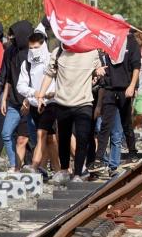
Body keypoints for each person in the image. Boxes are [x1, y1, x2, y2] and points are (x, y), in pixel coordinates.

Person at [37, 41, 101, 181]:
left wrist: (99, 71)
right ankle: (65, 170)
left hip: (84, 102)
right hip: (63, 102)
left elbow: (98, 69)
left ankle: (78, 173)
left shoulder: (92, 52)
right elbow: (49, 74)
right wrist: (41, 95)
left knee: (82, 138)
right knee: (64, 139)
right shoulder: (58, 52)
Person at [93, 28, 140, 173]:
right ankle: (98, 158)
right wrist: (97, 70)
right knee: (105, 125)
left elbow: (136, 66)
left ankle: (132, 152)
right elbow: (97, 60)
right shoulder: (106, 42)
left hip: (125, 88)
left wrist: (132, 86)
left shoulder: (131, 42)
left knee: (126, 123)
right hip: (109, 88)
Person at [19, 30, 61, 176]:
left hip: (51, 102)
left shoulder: (52, 59)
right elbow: (21, 85)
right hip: (35, 105)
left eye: (36, 47)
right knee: (50, 139)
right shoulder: (27, 64)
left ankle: (34, 165)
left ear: (43, 45)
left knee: (41, 134)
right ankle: (58, 170)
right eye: (31, 48)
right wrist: (33, 94)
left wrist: (50, 93)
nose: (33, 51)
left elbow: (59, 81)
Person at [0, 21, 37, 171]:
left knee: (31, 139)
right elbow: (7, 77)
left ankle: (37, 165)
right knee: (6, 133)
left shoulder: (32, 52)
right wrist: (3, 98)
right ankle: (15, 165)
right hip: (14, 102)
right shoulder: (10, 52)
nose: (12, 38)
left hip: (30, 103)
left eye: (15, 35)